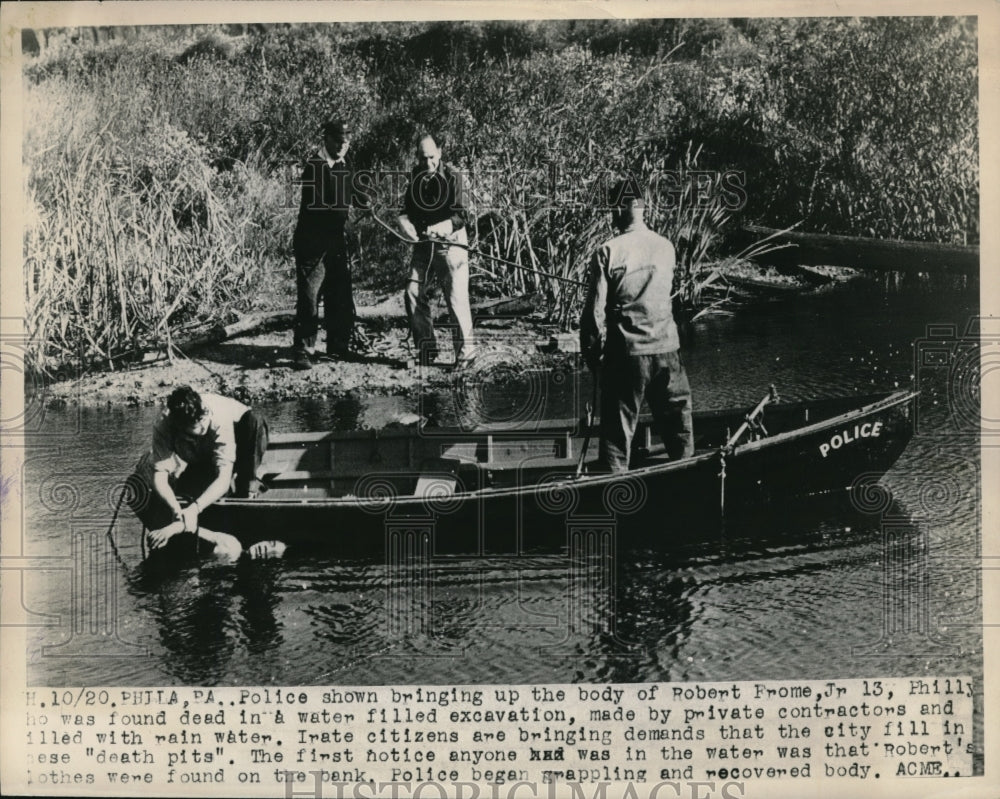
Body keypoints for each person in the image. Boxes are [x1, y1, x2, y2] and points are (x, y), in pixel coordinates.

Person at [579, 177, 694, 472]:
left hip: (627, 356)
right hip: (669, 351)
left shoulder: (608, 251)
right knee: (679, 432)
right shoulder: (666, 247)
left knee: (617, 437)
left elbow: (593, 318)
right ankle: (689, 484)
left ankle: (615, 496)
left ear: (619, 209)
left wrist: (594, 359)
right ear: (643, 208)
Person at [126, 386, 270, 551]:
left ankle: (249, 484)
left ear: (204, 416)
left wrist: (195, 509)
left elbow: (223, 479)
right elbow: (160, 475)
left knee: (254, 423)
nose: (200, 432)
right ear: (177, 425)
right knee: (186, 492)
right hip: (200, 455)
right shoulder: (163, 425)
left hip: (242, 433)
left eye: (202, 427)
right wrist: (175, 509)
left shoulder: (219, 419)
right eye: (193, 433)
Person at [291, 118, 369, 370]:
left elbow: (351, 188)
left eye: (346, 142)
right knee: (309, 296)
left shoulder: (344, 164)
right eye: (338, 141)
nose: (342, 146)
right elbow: (322, 207)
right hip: (312, 243)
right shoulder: (315, 167)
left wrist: (362, 199)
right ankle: (303, 349)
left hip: (334, 242)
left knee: (340, 294)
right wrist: (344, 215)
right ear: (326, 139)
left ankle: (338, 345)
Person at [397, 134, 476, 368]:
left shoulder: (454, 177)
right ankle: (426, 349)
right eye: (423, 158)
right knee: (412, 290)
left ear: (439, 153)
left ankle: (466, 355)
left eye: (431, 157)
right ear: (417, 158)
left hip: (451, 242)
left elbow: (462, 215)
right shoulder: (415, 176)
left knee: (456, 297)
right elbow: (406, 209)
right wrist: (405, 224)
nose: (428, 163)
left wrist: (444, 227)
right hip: (424, 244)